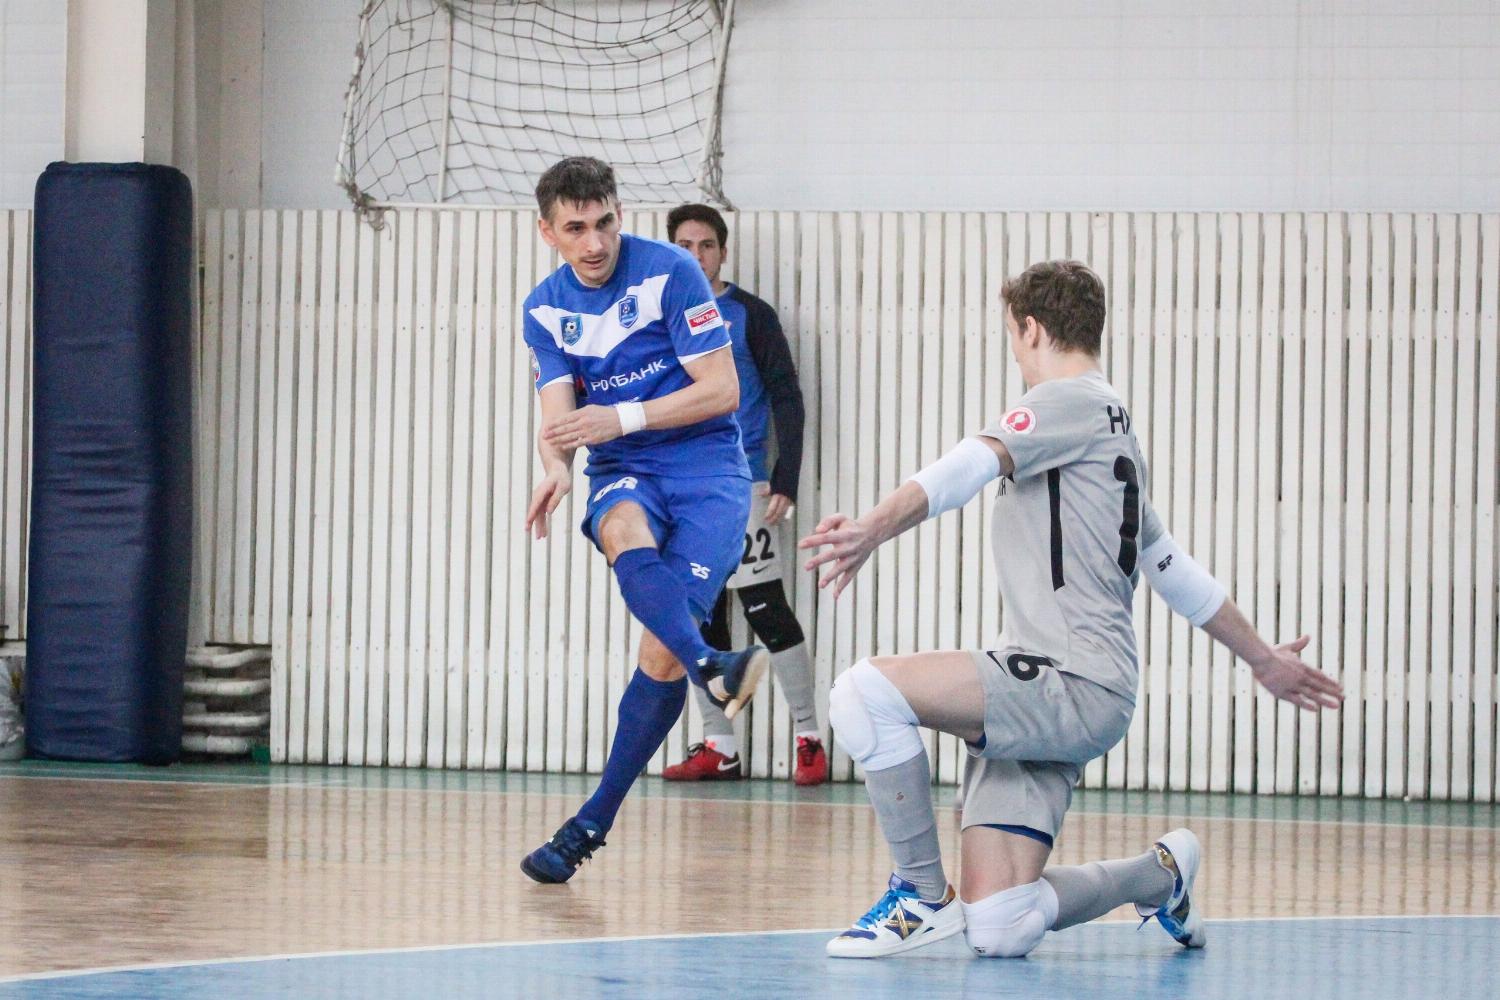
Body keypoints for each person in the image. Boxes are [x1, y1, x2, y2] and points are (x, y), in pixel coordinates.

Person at [800, 260, 1345, 958]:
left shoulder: (1065, 401)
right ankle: (1159, 875)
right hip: (1072, 694)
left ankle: (920, 895)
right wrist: (1262, 658)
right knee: (999, 927)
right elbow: (1172, 569)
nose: (1015, 353)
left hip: (1067, 683)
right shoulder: (1114, 430)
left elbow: (969, 464)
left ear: (1031, 329)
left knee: (862, 693)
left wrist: (869, 529)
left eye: (1012, 335)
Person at [518, 157, 769, 884]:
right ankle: (712, 665)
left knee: (659, 654)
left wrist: (620, 416)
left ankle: (591, 821)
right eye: (575, 229)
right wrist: (556, 467)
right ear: (548, 233)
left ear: (619, 214)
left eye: (604, 223)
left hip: (708, 470)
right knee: (621, 528)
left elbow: (722, 390)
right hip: (625, 468)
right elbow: (559, 421)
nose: (594, 243)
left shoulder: (671, 272)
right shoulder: (543, 309)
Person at [662, 203, 827, 786]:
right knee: (698, 613)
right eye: (685, 245)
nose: (696, 255)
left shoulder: (750, 315)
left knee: (764, 606)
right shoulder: (660, 316)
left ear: (723, 252)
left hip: (743, 482)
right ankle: (720, 745)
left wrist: (785, 477)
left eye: (706, 245)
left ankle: (810, 738)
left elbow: (787, 395)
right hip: (683, 491)